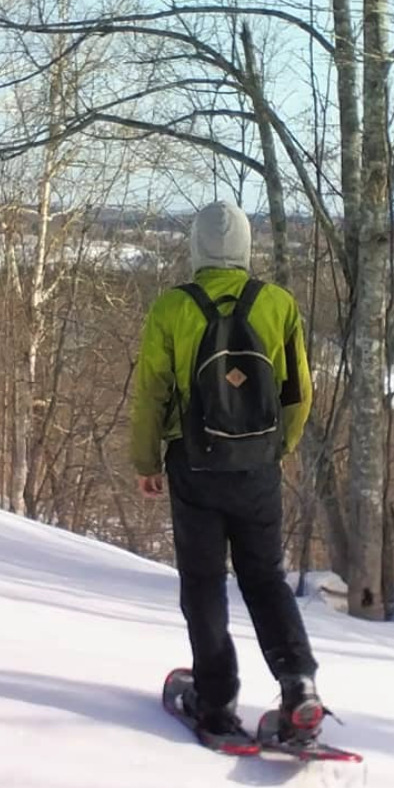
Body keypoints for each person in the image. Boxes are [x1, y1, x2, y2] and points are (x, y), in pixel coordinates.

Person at [130, 199, 324, 742]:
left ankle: (215, 700)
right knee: (265, 579)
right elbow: (299, 394)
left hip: (194, 464)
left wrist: (146, 462)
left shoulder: (172, 308)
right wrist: (277, 448)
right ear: (245, 248)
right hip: (257, 469)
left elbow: (152, 393)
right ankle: (299, 686)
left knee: (204, 581)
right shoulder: (277, 304)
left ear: (196, 248)